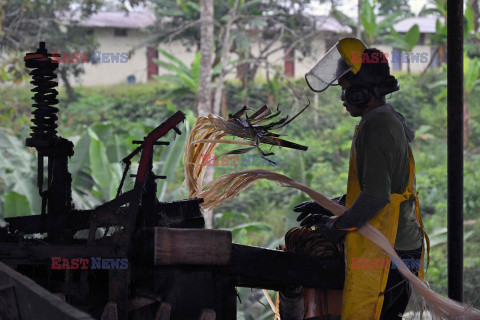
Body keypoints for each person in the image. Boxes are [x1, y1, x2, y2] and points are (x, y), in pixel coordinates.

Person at [293, 38, 429, 320]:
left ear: (362, 94)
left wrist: (336, 226)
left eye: (347, 92)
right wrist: (330, 205)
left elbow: (376, 197)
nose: (344, 99)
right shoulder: (386, 119)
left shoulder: (377, 126)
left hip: (392, 249)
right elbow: (383, 188)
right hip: (398, 244)